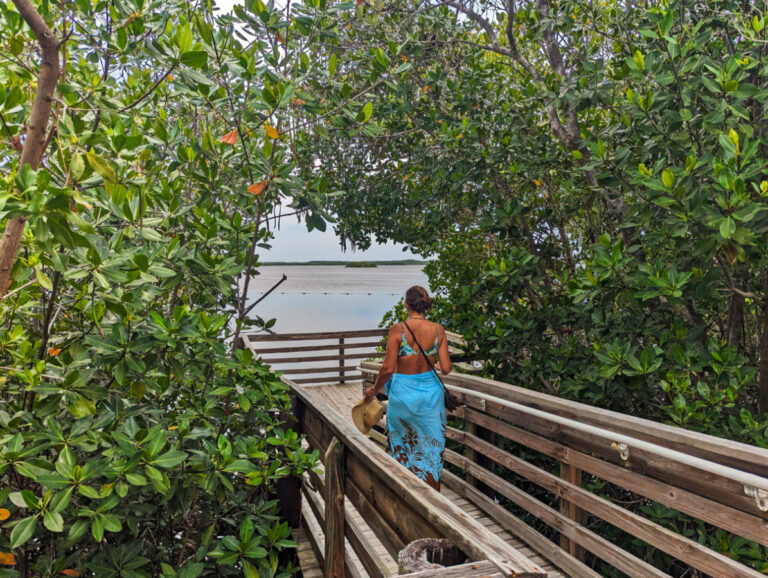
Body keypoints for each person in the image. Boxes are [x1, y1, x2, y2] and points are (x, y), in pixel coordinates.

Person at [364, 286, 453, 490]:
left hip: (404, 395)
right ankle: (433, 499)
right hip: (431, 397)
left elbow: (387, 368)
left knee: (403, 444)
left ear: (406, 305)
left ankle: (405, 494)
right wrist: (436, 364)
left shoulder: (399, 329)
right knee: (431, 448)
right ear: (425, 305)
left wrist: (374, 390)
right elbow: (446, 368)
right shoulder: (438, 329)